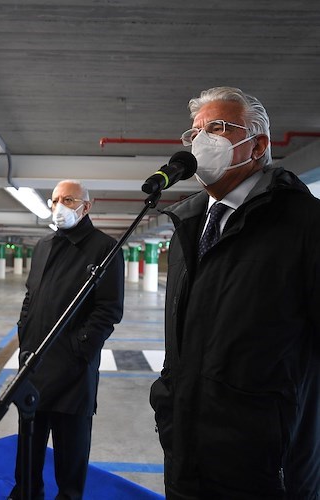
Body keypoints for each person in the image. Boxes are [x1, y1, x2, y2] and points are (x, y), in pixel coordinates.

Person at [149, 86, 320, 499]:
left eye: (218, 128)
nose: (199, 141)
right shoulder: (188, 226)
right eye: (194, 133)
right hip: (186, 449)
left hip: (264, 463)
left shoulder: (305, 224)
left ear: (257, 144)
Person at [8, 180, 125, 500]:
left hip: (73, 370)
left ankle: (69, 496)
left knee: (70, 450)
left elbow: (109, 309)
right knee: (28, 443)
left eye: (69, 199)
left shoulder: (105, 248)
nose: (60, 206)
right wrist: (24, 336)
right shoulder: (43, 245)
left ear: (86, 207)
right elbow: (32, 296)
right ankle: (26, 493)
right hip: (34, 363)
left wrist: (79, 349)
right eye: (55, 199)